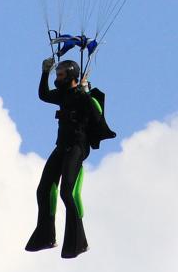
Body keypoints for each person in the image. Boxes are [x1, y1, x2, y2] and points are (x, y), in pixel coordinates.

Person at [25, 57, 115, 258]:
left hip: (77, 148)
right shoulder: (63, 95)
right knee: (43, 189)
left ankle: (79, 242)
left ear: (71, 76)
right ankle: (46, 237)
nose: (57, 78)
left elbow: (97, 116)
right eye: (57, 75)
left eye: (60, 75)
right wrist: (45, 72)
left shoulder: (83, 97)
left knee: (68, 192)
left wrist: (86, 93)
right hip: (62, 146)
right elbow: (44, 95)